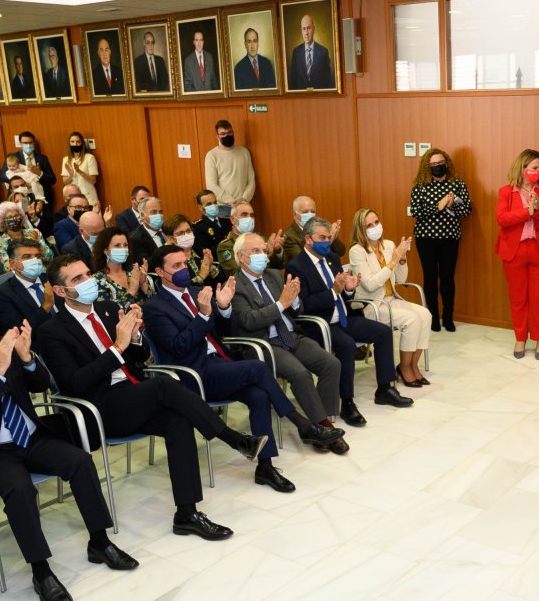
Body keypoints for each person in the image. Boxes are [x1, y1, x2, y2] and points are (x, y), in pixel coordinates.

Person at [0, 292, 138, 601]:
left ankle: (100, 542)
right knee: (20, 489)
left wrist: (26, 359)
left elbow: (41, 386)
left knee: (79, 461)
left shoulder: (3, 342)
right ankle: (42, 572)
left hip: (29, 436)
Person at [38, 255, 264, 533]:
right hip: (99, 408)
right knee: (164, 384)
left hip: (132, 394)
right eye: (77, 279)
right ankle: (234, 439)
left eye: (87, 274)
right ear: (61, 291)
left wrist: (134, 339)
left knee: (178, 421)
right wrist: (117, 348)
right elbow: (74, 384)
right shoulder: (51, 332)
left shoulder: (108, 309)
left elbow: (140, 358)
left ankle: (186, 514)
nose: (88, 282)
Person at [143, 245, 342, 491]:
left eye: (185, 264)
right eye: (176, 266)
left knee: (259, 395)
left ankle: (265, 467)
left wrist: (224, 308)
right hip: (193, 374)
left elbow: (225, 333)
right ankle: (303, 424)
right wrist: (204, 316)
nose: (183, 269)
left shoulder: (197, 292)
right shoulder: (154, 308)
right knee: (258, 368)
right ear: (160, 273)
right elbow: (179, 347)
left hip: (220, 365)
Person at [288, 217, 413, 433]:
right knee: (346, 345)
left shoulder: (333, 258)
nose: (327, 242)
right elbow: (304, 305)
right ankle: (347, 402)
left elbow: (345, 293)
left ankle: (385, 389)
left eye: (328, 238)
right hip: (321, 325)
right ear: (308, 239)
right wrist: (334, 291)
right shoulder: (297, 266)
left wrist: (348, 288)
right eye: (321, 238)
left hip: (345, 317)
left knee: (383, 332)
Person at [228, 236, 348, 450]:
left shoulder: (274, 275)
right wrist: (281, 304)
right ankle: (322, 427)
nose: (262, 255)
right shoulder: (235, 285)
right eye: (255, 251)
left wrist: (295, 299)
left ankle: (321, 420)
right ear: (241, 257)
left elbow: (296, 311)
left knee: (331, 363)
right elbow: (248, 320)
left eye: (264, 250)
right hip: (265, 343)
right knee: (301, 374)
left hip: (291, 335)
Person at [348, 208, 431, 386]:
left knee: (425, 314)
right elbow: (369, 285)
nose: (374, 227)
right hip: (371, 305)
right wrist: (392, 261)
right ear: (361, 229)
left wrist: (401, 259)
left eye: (376, 222)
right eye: (368, 225)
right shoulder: (357, 251)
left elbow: (401, 279)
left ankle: (411, 365)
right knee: (412, 319)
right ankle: (405, 369)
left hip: (391, 299)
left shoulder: (389, 245)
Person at [494, 150, 539, 359]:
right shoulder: (506, 191)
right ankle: (520, 338)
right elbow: (502, 219)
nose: (538, 171)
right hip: (515, 251)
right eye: (534, 167)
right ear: (522, 168)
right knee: (518, 298)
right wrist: (526, 212)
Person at [409, 149, 471, 332]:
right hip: (425, 239)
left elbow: (467, 210)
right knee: (430, 278)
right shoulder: (420, 186)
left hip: (450, 238)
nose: (438, 166)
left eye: (441, 163)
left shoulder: (457, 183)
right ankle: (433, 317)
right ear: (427, 167)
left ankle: (448, 317)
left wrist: (453, 205)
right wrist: (439, 205)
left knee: (447, 278)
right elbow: (416, 212)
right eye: (434, 164)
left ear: (447, 163)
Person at [0, 238, 56, 332]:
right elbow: (18, 332)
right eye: (27, 257)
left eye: (37, 256)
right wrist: (46, 306)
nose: (34, 260)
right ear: (13, 264)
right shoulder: (3, 294)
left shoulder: (52, 278)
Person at [217, 200, 285, 276]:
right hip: (244, 286)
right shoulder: (226, 246)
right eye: (244, 215)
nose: (249, 218)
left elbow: (279, 266)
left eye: (252, 215)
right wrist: (266, 257)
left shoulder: (261, 239)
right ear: (233, 219)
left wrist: (276, 251)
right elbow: (236, 272)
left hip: (268, 283)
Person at [91, 226, 152, 309]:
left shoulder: (133, 271)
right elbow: (109, 314)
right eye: (117, 245)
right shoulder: (97, 281)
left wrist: (143, 284)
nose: (123, 249)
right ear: (105, 251)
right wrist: (132, 291)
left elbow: (155, 303)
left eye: (125, 245)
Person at [203, 120, 255, 210]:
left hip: (243, 206)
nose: (227, 136)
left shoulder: (244, 152)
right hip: (223, 208)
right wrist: (232, 201)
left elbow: (251, 180)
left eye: (229, 132)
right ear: (217, 137)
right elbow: (211, 185)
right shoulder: (211, 156)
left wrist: (244, 200)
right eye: (222, 134)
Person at [162, 214, 221, 288]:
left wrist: (211, 269)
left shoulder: (199, 250)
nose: (186, 235)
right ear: (171, 239)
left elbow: (218, 283)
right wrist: (201, 276)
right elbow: (182, 289)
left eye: (188, 231)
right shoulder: (172, 262)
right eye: (180, 233)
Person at [0, 201, 53, 271]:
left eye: (16, 215)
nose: (14, 219)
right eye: (10, 217)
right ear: (2, 222)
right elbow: (8, 268)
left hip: (42, 272)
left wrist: (38, 244)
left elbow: (50, 257)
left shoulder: (34, 232)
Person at [282, 195, 344, 263]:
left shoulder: (321, 228)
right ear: (294, 214)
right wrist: (329, 241)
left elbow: (341, 252)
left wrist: (333, 237)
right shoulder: (289, 236)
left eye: (312, 211)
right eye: (305, 212)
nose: (310, 214)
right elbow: (304, 260)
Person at [288, 15, 334, 90]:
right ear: (301, 30)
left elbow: (328, 82)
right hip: (300, 99)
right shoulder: (296, 52)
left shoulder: (323, 52)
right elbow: (293, 82)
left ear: (314, 29)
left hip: (320, 99)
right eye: (304, 29)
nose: (306, 32)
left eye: (309, 28)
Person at [60, 132, 100, 206]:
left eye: (78, 142)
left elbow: (93, 180)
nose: (75, 144)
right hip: (74, 198)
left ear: (82, 143)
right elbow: (65, 182)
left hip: (89, 196)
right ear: (69, 144)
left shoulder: (89, 157)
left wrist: (79, 171)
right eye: (72, 142)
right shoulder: (66, 159)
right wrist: (71, 175)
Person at [191, 190, 230, 254]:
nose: (214, 206)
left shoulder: (226, 221)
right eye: (209, 204)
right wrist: (226, 244)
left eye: (215, 203)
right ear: (201, 207)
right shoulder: (197, 227)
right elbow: (204, 252)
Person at [129, 196, 167, 261]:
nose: (158, 215)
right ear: (142, 215)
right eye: (153, 212)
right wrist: (167, 246)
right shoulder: (136, 239)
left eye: (160, 212)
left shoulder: (168, 228)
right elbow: (146, 265)